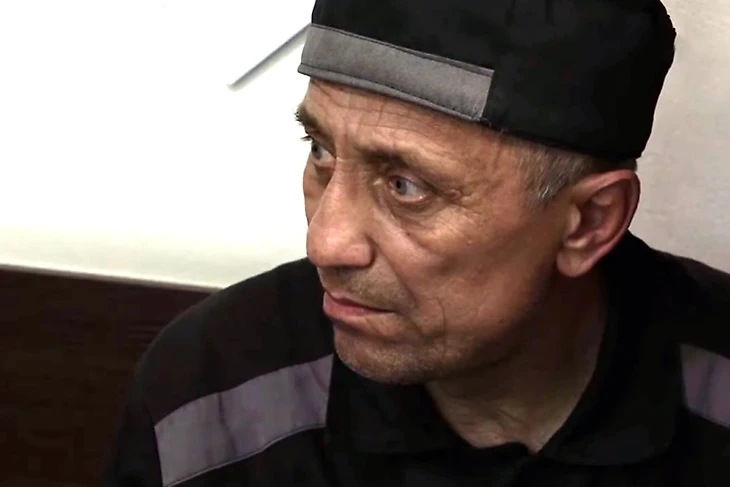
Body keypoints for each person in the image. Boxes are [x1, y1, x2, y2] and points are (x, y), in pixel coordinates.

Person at [102, 1, 730, 485]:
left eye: (407, 186)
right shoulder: (211, 401)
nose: (325, 242)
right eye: (320, 151)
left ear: (589, 222)